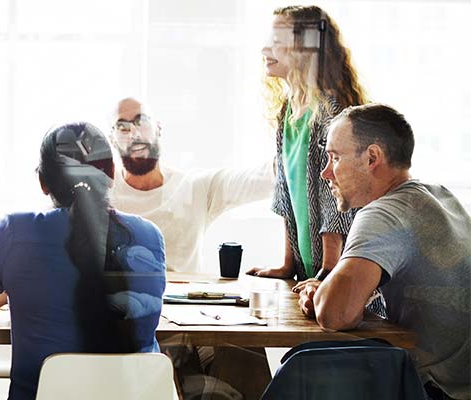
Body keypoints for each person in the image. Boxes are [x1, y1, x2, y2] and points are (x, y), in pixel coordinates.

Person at [0, 122, 166, 400]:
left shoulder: (16, 232)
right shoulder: (149, 236)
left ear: (43, 182)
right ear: (111, 175)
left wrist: (3, 296)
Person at [297, 104, 469, 400]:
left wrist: (324, 293)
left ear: (372, 157)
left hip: (438, 392)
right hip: (462, 382)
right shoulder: (440, 196)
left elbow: (335, 314)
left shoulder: (384, 213)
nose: (326, 172)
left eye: (335, 157)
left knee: (302, 369)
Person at [246, 5, 367, 282]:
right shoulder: (287, 111)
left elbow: (336, 195)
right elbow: (284, 191)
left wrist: (328, 271)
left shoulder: (330, 112)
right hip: (308, 269)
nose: (266, 50)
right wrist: (288, 266)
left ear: (305, 48)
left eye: (277, 42)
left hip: (340, 273)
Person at [109, 97, 274, 273]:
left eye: (141, 121)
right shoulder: (100, 193)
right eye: (122, 127)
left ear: (158, 128)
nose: (134, 134)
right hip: (121, 299)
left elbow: (264, 177)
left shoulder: (194, 187)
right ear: (112, 139)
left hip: (184, 299)